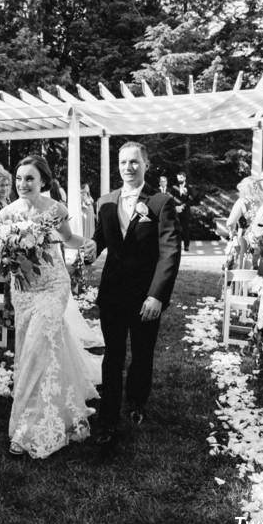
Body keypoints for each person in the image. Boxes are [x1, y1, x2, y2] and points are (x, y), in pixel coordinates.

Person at [0, 155, 98, 458]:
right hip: (24, 290)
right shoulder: (6, 214)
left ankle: (31, 426)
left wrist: (91, 243)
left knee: (39, 345)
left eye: (29, 178)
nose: (22, 184)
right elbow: (0, 252)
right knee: (32, 348)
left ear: (42, 180)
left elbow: (67, 240)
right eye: (19, 178)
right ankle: (51, 407)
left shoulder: (55, 209)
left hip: (53, 285)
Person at [91, 142, 182, 444]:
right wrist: (90, 249)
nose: (128, 167)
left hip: (145, 295)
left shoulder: (160, 201)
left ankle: (137, 402)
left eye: (134, 162)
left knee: (142, 354)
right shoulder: (105, 201)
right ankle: (108, 416)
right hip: (112, 293)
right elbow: (101, 239)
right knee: (112, 356)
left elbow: (170, 252)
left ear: (146, 164)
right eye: (122, 162)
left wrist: (157, 295)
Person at [171, 173, 191, 251]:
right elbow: (171, 197)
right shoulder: (174, 187)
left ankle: (186, 246)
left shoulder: (189, 187)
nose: (180, 179)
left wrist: (183, 206)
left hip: (185, 211)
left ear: (185, 178)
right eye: (178, 178)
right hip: (176, 210)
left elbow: (191, 199)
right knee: (176, 229)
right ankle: (177, 245)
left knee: (185, 229)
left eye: (181, 178)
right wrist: (176, 206)